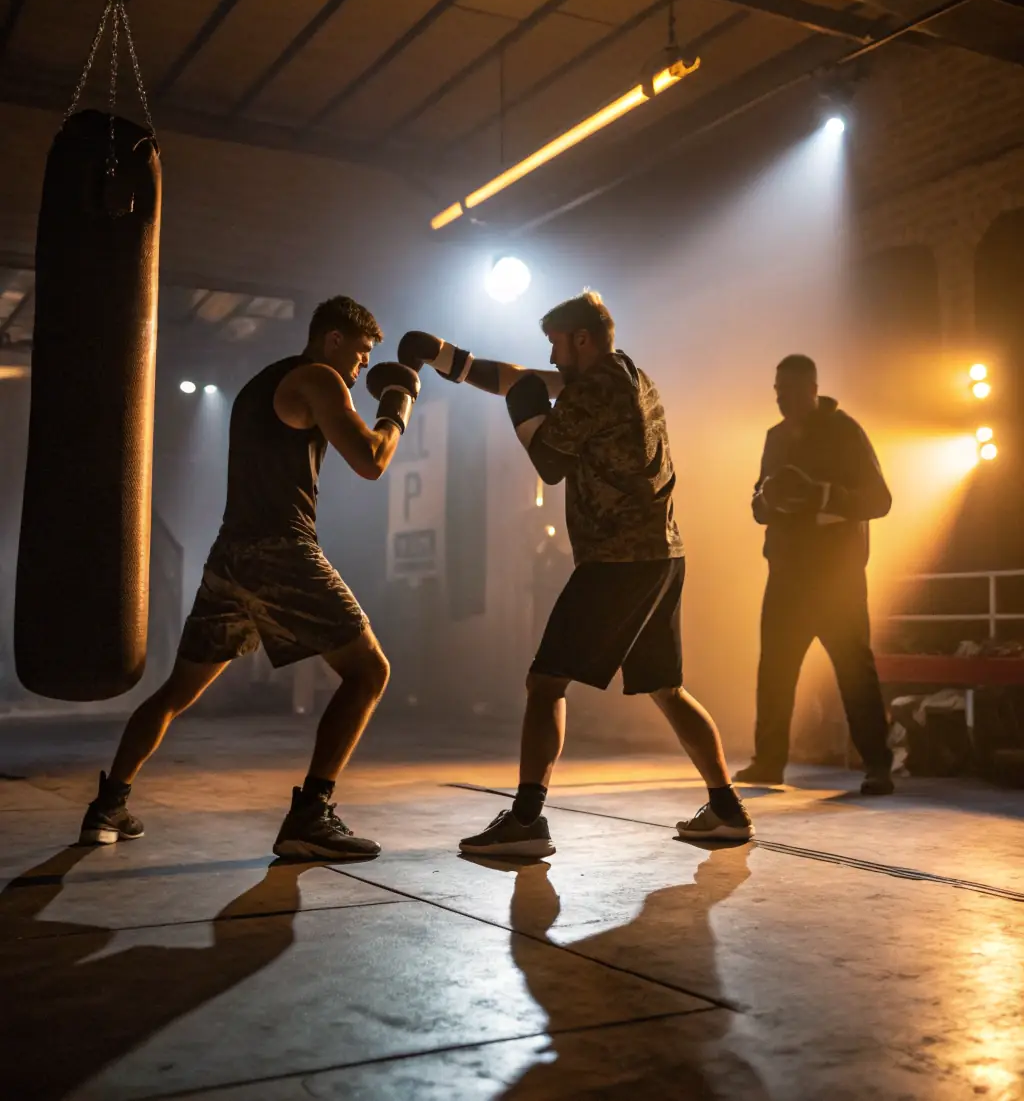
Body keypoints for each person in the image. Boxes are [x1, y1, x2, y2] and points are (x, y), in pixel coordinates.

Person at [399, 291, 753, 854]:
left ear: (582, 339)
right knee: (667, 687)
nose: (553, 356)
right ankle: (729, 809)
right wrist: (446, 357)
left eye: (558, 345)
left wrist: (523, 414)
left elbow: (548, 462)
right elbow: (526, 377)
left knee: (545, 684)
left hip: (618, 560)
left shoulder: (594, 392)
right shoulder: (626, 373)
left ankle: (526, 821)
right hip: (662, 555)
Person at [79, 296, 421, 859]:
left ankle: (108, 804)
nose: (360, 367)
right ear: (332, 340)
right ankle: (311, 814)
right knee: (369, 673)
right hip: (279, 550)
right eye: (359, 353)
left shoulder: (264, 383)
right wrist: (398, 401)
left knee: (175, 693)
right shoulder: (317, 376)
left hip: (230, 558)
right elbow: (371, 459)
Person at [735, 354, 894, 795]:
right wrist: (767, 501)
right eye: (776, 390)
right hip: (786, 574)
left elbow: (880, 500)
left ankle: (878, 766)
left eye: (787, 389)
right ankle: (768, 762)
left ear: (812, 388)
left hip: (836, 580)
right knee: (775, 672)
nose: (780, 398)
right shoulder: (775, 437)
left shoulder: (845, 431)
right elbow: (758, 506)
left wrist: (821, 495)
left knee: (854, 672)